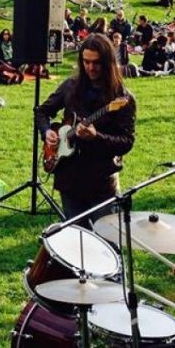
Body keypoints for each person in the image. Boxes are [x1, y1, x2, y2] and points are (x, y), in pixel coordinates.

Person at [35, 35, 136, 224]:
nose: (90, 67)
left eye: (96, 63)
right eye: (86, 61)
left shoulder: (122, 98)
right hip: (69, 178)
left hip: (102, 181)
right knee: (76, 240)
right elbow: (42, 111)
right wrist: (47, 132)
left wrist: (96, 137)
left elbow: (127, 142)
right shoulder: (70, 86)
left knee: (108, 242)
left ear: (108, 63)